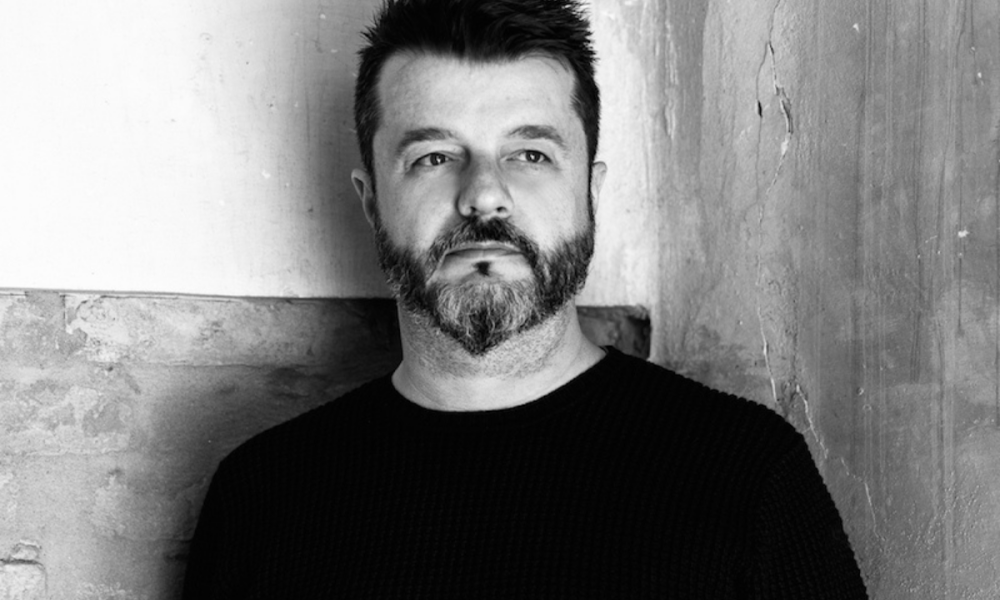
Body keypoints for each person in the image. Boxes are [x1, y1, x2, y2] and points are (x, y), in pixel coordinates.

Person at [182, 0, 868, 597]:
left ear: (591, 192)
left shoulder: (746, 476)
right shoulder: (262, 499)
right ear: (371, 202)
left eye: (531, 154)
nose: (485, 195)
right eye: (433, 157)